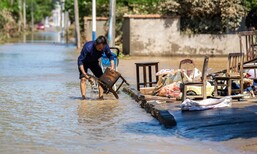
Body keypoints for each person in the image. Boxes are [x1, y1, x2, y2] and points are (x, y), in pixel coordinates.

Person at [77, 35, 115, 100]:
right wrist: (84, 74)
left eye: (102, 48)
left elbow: (110, 56)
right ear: (95, 44)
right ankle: (83, 98)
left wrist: (112, 66)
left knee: (101, 79)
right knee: (83, 79)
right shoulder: (88, 47)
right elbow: (80, 61)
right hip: (84, 63)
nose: (101, 50)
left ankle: (101, 97)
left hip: (94, 62)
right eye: (99, 48)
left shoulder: (105, 46)